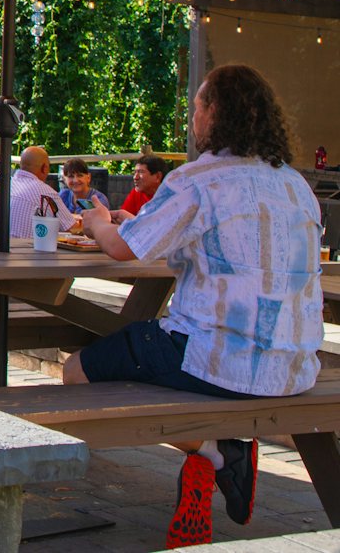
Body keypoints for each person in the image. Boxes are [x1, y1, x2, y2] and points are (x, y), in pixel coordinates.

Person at [68, 65, 323, 548]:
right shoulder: (295, 184)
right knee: (135, 345)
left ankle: (219, 452)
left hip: (214, 359)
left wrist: (99, 222)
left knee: (77, 372)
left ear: (214, 114)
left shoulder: (200, 178)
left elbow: (123, 249)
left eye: (198, 105)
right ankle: (223, 452)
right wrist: (132, 224)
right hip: (293, 366)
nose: (192, 114)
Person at [0, 146, 76, 238]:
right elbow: (71, 228)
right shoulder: (46, 192)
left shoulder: (3, 186)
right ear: (45, 168)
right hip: (20, 251)